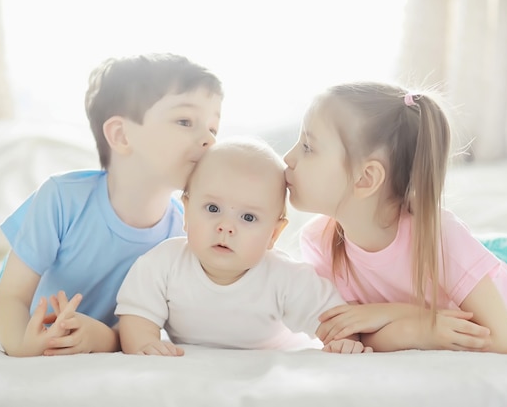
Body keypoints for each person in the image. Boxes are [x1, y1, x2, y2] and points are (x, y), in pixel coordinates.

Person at [283, 81, 507, 354]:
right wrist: (415, 325)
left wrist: (405, 319)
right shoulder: (319, 242)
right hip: (465, 265)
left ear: (366, 178)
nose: (287, 158)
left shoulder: (439, 236)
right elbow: (352, 333)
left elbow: (502, 340)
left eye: (308, 147)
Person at [0, 53, 223, 357]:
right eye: (185, 121)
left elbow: (152, 322)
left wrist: (106, 338)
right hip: (39, 328)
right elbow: (11, 297)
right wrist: (21, 343)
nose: (208, 139)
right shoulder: (61, 199)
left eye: (213, 129)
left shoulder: (183, 233)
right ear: (121, 135)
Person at [115, 138, 369, 355]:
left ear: (274, 234)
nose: (226, 227)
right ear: (186, 212)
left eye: (248, 218)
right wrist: (146, 344)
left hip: (274, 358)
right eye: (213, 209)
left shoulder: (286, 277)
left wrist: (343, 343)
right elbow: (136, 315)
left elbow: (335, 321)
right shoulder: (163, 263)